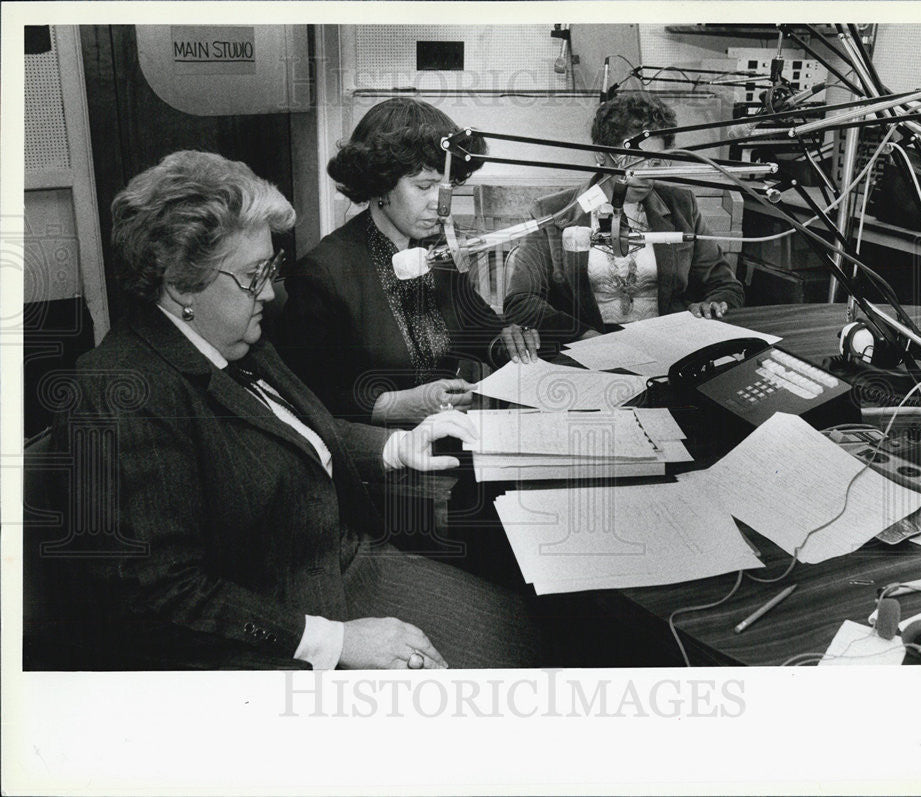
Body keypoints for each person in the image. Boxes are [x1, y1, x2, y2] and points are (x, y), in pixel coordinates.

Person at [45, 151, 539, 670]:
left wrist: (396, 446)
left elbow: (297, 435)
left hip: (345, 565)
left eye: (271, 269)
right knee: (520, 669)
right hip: (290, 625)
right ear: (180, 283)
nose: (272, 291)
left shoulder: (236, 339)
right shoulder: (116, 392)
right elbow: (157, 597)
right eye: (254, 275)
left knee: (531, 632)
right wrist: (332, 642)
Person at [277, 98, 541, 426]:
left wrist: (502, 339)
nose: (440, 205)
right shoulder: (324, 274)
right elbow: (305, 393)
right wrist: (395, 404)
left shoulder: (439, 247)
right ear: (380, 184)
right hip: (381, 453)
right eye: (424, 187)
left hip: (452, 429)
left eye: (446, 188)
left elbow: (470, 319)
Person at [504, 93, 745, 346]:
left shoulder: (681, 205)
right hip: (587, 347)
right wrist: (583, 337)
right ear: (600, 155)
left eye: (655, 162)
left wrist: (715, 304)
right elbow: (521, 301)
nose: (645, 174)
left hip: (668, 344)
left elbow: (725, 284)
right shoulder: (552, 213)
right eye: (634, 160)